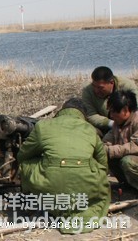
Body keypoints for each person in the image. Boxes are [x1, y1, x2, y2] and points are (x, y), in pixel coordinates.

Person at [17, 98, 110, 234]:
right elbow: (103, 163)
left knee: (25, 164)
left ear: (62, 110)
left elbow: (23, 155)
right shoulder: (91, 130)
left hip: (49, 184)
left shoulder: (43, 126)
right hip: (86, 188)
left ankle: (35, 202)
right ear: (83, 115)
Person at [102, 90, 138, 201]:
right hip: (136, 159)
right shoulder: (118, 122)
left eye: (113, 112)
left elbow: (136, 147)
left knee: (128, 161)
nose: (111, 116)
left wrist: (109, 150)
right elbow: (108, 140)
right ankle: (129, 185)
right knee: (109, 157)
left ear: (126, 110)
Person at [81, 66, 138, 135]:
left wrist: (123, 124)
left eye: (100, 88)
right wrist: (111, 124)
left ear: (111, 82)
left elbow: (134, 110)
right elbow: (90, 115)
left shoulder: (127, 86)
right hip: (101, 127)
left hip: (127, 124)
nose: (96, 90)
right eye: (94, 86)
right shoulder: (88, 91)